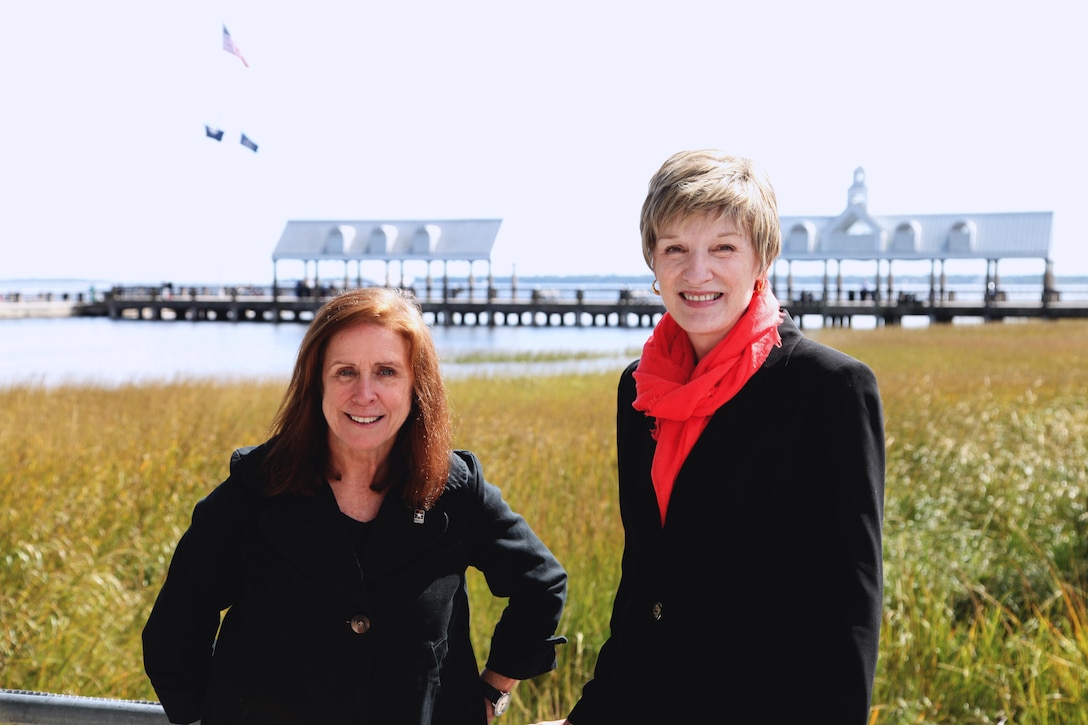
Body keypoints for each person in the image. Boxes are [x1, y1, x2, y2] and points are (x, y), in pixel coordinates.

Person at [535, 151, 885, 724]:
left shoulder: (829, 388)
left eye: (723, 248)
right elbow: (645, 580)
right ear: (653, 260)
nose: (697, 273)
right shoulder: (639, 388)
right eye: (675, 249)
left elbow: (850, 605)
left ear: (761, 259)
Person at [143, 287, 568, 725]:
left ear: (416, 386)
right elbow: (175, 628)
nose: (365, 394)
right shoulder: (256, 489)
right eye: (345, 372)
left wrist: (491, 692)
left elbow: (541, 584)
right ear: (316, 383)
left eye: (386, 372)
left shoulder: (454, 489)